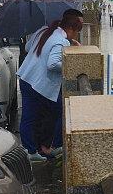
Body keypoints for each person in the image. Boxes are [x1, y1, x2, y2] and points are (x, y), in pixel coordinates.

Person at [17, 10, 83, 160]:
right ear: (71, 29)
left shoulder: (45, 31)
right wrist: (70, 60)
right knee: (63, 111)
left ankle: (30, 151)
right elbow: (52, 64)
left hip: (26, 78)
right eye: (76, 32)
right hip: (39, 85)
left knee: (29, 117)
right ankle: (55, 147)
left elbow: (28, 47)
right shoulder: (62, 41)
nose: (75, 36)